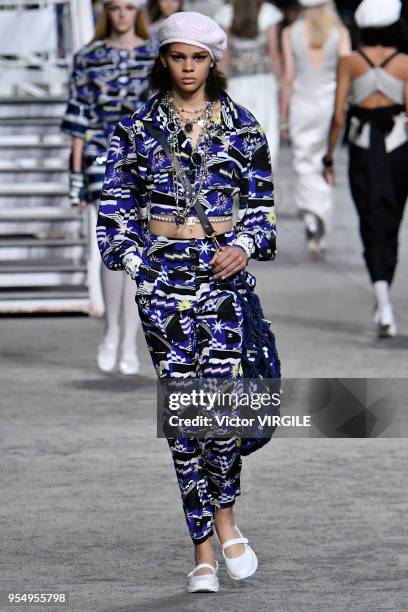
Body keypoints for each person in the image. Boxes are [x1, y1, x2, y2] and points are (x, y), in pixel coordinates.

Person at [97, 11, 279, 593]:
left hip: (222, 279)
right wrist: (139, 264)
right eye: (178, 57)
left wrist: (246, 245)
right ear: (164, 59)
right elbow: (114, 208)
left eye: (198, 58)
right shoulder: (137, 126)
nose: (188, 68)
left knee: (220, 412)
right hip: (163, 283)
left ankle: (226, 517)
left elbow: (263, 209)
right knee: (183, 420)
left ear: (214, 61)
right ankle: (202, 548)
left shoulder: (243, 127)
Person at [62, 0, 157, 374]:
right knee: (111, 249)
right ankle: (111, 332)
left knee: (140, 251)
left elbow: (162, 115)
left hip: (145, 157)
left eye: (129, 7)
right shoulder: (88, 56)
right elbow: (78, 116)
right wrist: (74, 178)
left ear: (138, 11)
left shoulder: (155, 56)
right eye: (116, 6)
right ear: (107, 11)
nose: (121, 14)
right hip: (101, 157)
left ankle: (130, 339)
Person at [324, 0, 408, 338]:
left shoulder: (350, 62)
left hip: (361, 147)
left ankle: (382, 298)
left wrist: (328, 156)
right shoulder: (404, 63)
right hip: (398, 149)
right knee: (391, 220)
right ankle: (384, 295)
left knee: (369, 219)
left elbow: (339, 115)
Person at [281, 0, 351, 257]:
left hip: (302, 103)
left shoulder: (290, 33)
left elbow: (288, 77)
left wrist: (283, 114)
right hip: (330, 104)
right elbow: (346, 72)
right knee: (326, 161)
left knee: (303, 163)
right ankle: (321, 216)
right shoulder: (340, 33)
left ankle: (311, 218)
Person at [214, 0, 283, 167]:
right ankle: (262, 176)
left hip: (236, 82)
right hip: (264, 83)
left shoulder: (226, 13)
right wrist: (281, 83)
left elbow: (225, 56)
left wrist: (217, 86)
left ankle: (241, 175)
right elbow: (273, 53)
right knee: (265, 130)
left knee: (238, 130)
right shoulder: (268, 13)